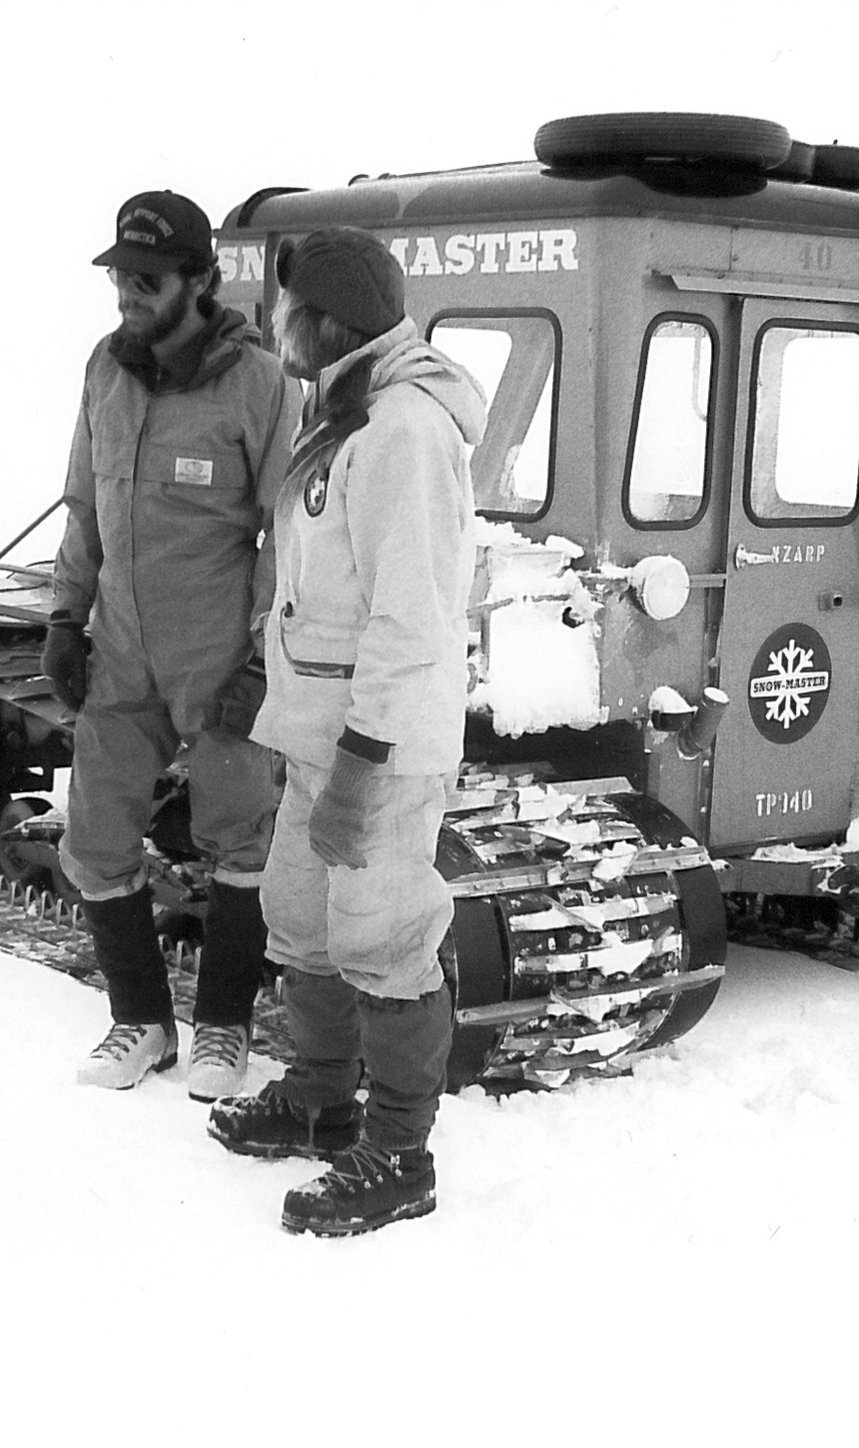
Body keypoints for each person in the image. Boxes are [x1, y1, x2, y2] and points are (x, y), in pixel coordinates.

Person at [205, 227, 486, 1236]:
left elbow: (409, 618)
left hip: (380, 749)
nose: (275, 324)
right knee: (302, 918)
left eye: (287, 309)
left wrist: (363, 769)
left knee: (384, 939)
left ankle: (399, 1154)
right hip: (319, 736)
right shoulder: (347, 416)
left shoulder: (404, 431)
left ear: (324, 319)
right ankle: (322, 1097)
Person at [45, 191, 300, 1100]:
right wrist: (63, 617)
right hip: (119, 646)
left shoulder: (259, 385)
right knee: (96, 833)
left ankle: (223, 1027)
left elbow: (286, 537)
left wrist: (264, 662)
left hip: (219, 651)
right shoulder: (103, 372)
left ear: (200, 279)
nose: (128, 293)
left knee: (241, 840)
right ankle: (140, 1020)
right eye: (119, 276)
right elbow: (84, 503)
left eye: (147, 279)